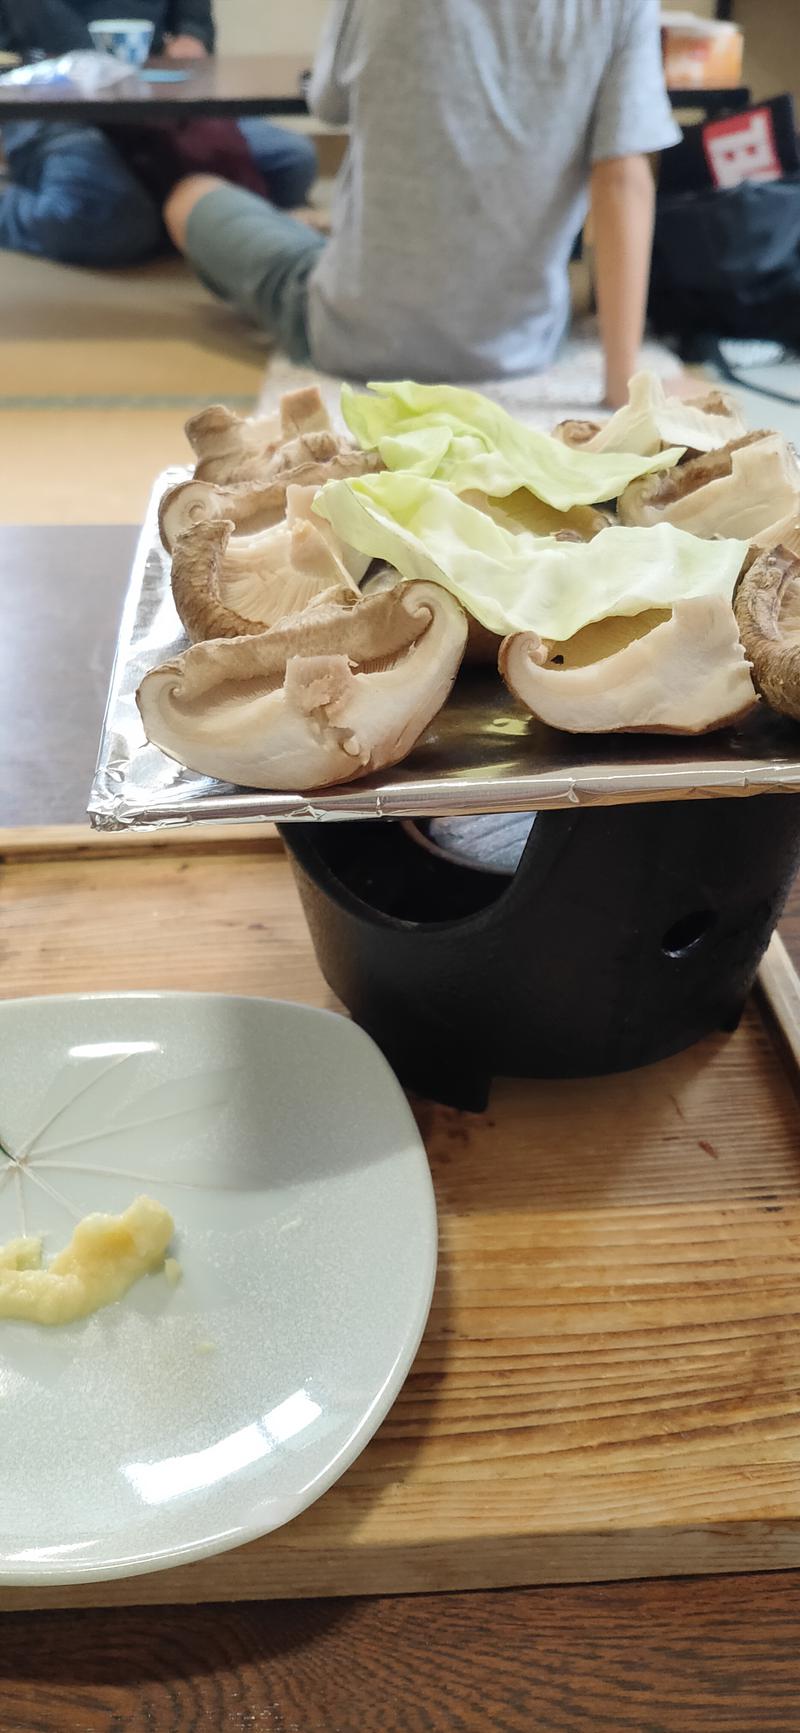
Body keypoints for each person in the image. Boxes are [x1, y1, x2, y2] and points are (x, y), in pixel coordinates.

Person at [163, 0, 680, 402]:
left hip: (354, 334)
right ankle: (314, 226)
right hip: (518, 344)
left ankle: (313, 228)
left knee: (189, 195)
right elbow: (623, 177)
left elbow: (328, 101)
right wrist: (621, 389)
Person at [0, 0, 317, 267]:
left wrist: (192, 39)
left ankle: (155, 205)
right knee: (106, 215)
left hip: (156, 96)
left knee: (291, 162)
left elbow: (195, 24)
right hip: (51, 103)